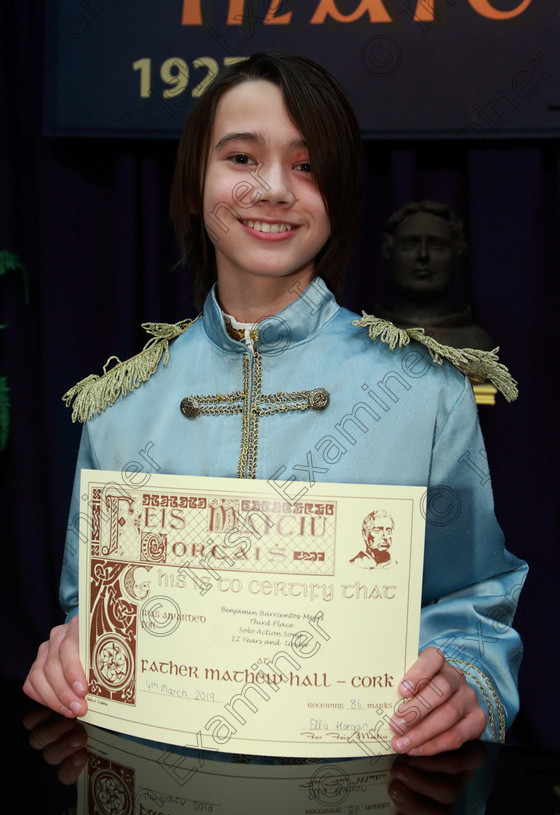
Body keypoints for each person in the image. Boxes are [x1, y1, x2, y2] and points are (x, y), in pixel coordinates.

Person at [24, 52, 527, 757]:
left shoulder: (424, 390)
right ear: (197, 183)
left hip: (365, 795)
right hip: (163, 795)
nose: (273, 189)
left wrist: (469, 679)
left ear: (341, 194)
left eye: (308, 164)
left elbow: (472, 599)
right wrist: (72, 654)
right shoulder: (123, 399)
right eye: (240, 157)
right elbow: (92, 608)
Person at [377, 200, 495, 351]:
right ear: (389, 251)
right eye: (410, 244)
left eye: (436, 245)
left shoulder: (478, 343)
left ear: (457, 253)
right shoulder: (364, 339)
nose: (423, 255)